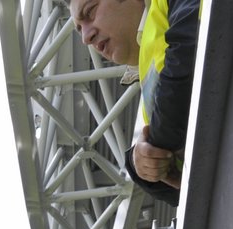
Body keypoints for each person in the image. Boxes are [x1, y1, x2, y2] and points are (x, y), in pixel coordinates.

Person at [69, 0, 202, 206]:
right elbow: (181, 195)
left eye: (90, 11)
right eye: (80, 29)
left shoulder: (171, 6)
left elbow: (189, 50)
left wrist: (158, 145)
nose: (86, 37)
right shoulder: (149, 82)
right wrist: (141, 167)